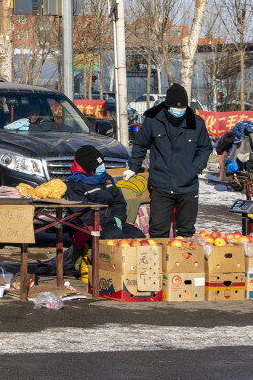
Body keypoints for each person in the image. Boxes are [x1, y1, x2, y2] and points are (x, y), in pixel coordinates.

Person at [125, 83, 212, 238]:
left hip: (188, 187)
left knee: (186, 232)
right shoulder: (153, 122)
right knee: (158, 231)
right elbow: (140, 145)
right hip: (161, 186)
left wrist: (196, 168)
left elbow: (205, 148)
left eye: (183, 108)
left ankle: (184, 261)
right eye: (176, 108)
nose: (179, 111)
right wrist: (133, 167)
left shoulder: (196, 124)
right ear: (167, 106)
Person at [62, 145, 144, 275]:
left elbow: (119, 201)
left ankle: (139, 270)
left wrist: (118, 217)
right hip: (89, 224)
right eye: (98, 166)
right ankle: (116, 272)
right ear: (89, 169)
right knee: (116, 237)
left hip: (113, 220)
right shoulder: (75, 185)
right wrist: (110, 220)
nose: (102, 168)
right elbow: (84, 213)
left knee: (138, 236)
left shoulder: (106, 178)